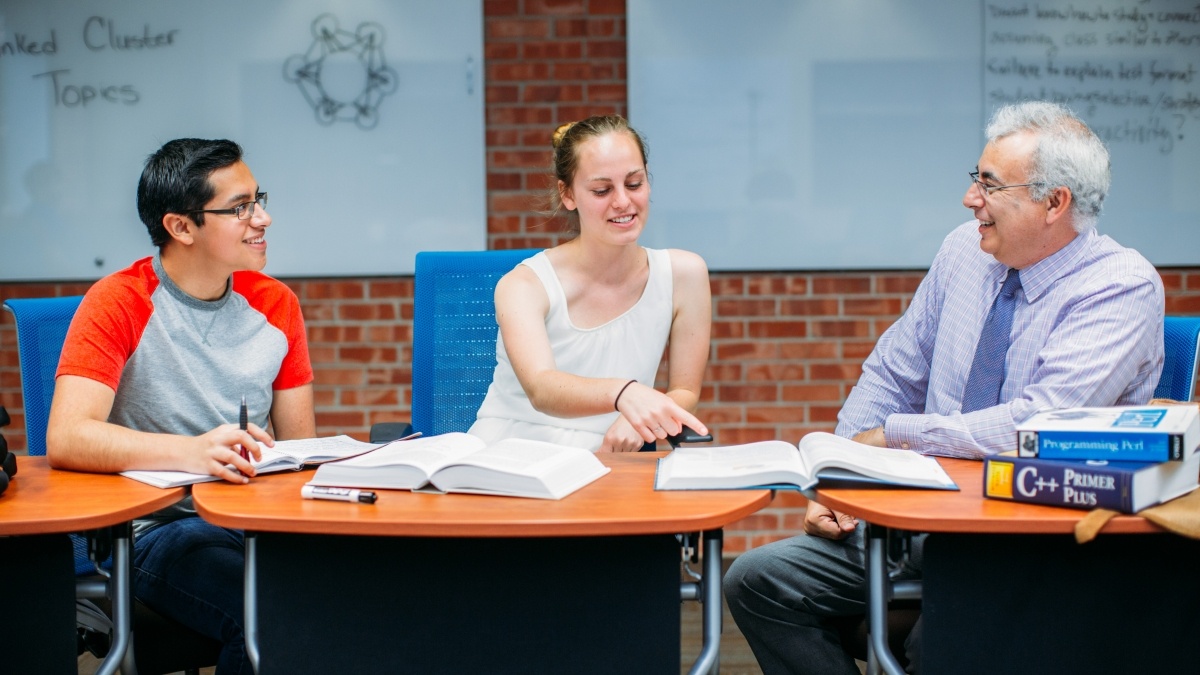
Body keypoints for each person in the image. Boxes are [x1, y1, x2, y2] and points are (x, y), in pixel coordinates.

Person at [724, 101, 1164, 674]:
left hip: (1029, 543)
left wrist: (898, 436)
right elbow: (894, 369)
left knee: (940, 641)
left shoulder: (1120, 288)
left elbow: (1038, 423)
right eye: (974, 178)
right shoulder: (964, 250)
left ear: (1054, 203)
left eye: (990, 184)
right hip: (919, 522)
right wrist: (843, 474)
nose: (970, 198)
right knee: (757, 582)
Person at [46, 138, 315, 675]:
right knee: (272, 620)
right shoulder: (119, 300)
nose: (263, 217)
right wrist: (193, 454)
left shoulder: (276, 304)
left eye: (257, 199)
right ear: (181, 227)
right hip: (153, 530)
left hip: (251, 522)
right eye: (240, 208)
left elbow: (298, 451)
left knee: (353, 600)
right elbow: (68, 436)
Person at [468, 115, 711, 453]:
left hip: (612, 455)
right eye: (602, 190)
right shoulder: (524, 284)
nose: (623, 202)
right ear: (568, 195)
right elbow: (542, 389)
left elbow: (686, 391)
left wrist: (645, 417)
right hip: (512, 451)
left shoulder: (684, 274)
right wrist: (627, 394)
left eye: (634, 183)